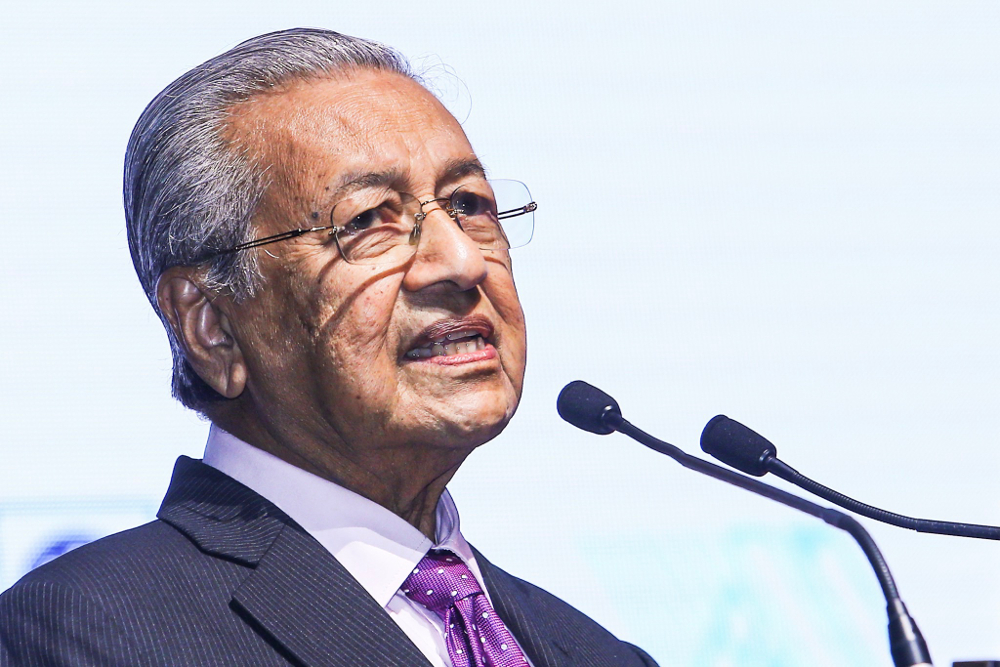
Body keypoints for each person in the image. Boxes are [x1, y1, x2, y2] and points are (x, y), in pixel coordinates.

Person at [0, 28, 657, 667]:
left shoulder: (595, 650)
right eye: (369, 219)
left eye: (469, 204)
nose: (460, 260)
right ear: (212, 325)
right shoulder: (84, 632)